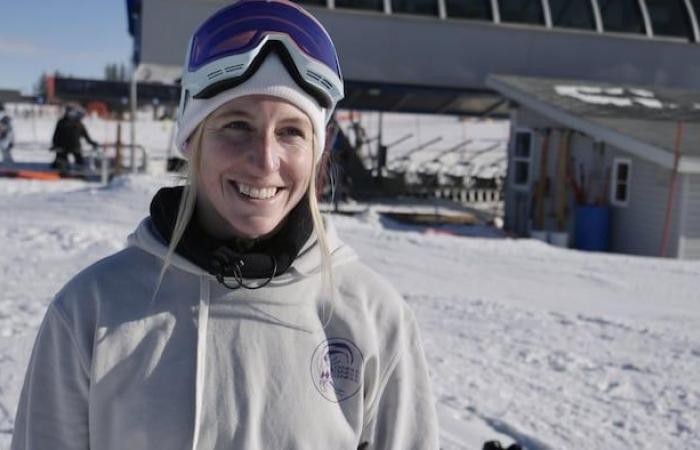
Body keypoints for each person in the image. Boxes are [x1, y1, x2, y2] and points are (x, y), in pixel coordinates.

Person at [11, 1, 439, 449]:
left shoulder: (373, 318)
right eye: (237, 124)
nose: (265, 160)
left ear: (317, 152)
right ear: (192, 138)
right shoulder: (91, 310)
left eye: (291, 131)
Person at [50, 104, 98, 170]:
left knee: (77, 159)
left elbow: (85, 135)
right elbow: (56, 135)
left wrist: (92, 143)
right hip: (65, 147)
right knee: (63, 159)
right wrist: (55, 145)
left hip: (71, 146)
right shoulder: (63, 122)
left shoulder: (76, 123)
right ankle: (64, 168)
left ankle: (78, 170)